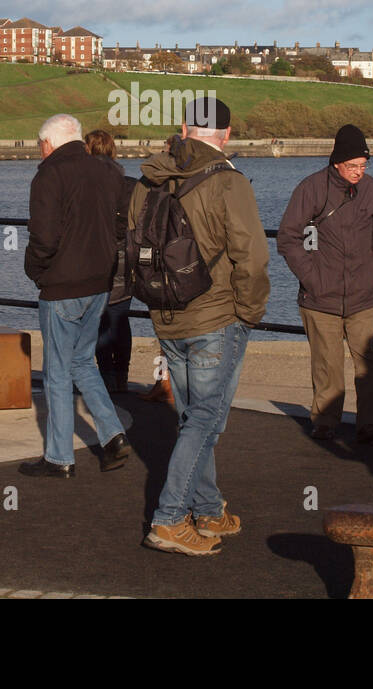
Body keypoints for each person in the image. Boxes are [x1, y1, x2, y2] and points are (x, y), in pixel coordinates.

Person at [130, 98, 270, 556]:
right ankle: (170, 519)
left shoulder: (147, 180)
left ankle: (207, 508)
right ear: (226, 135)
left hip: (166, 315)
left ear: (185, 128)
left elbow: (132, 246)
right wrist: (249, 313)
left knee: (193, 417)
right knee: (205, 418)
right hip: (216, 317)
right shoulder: (229, 182)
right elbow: (251, 257)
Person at [20, 114, 130, 478]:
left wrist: (36, 272)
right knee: (83, 361)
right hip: (99, 283)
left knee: (56, 372)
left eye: (40, 145)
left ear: (47, 143)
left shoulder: (49, 175)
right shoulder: (107, 172)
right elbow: (116, 227)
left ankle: (59, 457)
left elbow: (44, 237)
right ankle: (113, 434)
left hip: (62, 286)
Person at [277, 124, 373, 443]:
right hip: (320, 297)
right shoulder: (311, 188)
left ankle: (370, 422)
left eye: (363, 165)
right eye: (352, 166)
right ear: (336, 163)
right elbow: (289, 237)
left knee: (367, 364)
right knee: (326, 363)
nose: (359, 172)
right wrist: (312, 278)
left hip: (363, 295)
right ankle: (325, 421)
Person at [85, 129, 135, 393]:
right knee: (120, 317)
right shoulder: (129, 184)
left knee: (100, 318)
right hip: (127, 256)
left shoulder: (86, 184)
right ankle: (122, 374)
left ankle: (105, 375)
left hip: (98, 257)